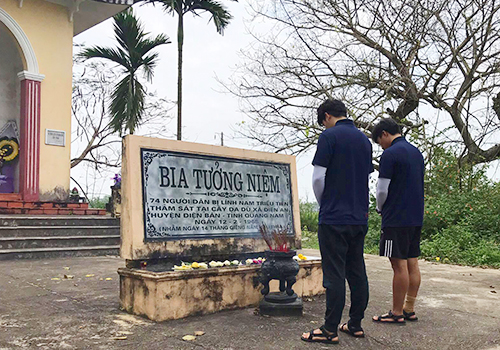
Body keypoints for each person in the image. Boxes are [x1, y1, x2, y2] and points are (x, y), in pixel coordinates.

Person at [301, 99, 373, 344]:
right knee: (356, 271)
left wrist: (324, 204)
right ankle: (355, 324)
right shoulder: (365, 141)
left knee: (333, 274)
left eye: (323, 122)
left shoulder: (329, 137)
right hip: (359, 215)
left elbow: (318, 177)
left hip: (334, 217)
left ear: (327, 117)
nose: (324, 126)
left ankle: (329, 329)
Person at [371, 118, 424, 324]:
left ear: (385, 134)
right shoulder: (416, 153)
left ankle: (396, 312)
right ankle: (409, 308)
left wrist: (379, 207)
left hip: (396, 218)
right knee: (412, 262)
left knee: (398, 265)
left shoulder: (390, 154)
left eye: (379, 141)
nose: (380, 145)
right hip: (415, 216)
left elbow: (382, 188)